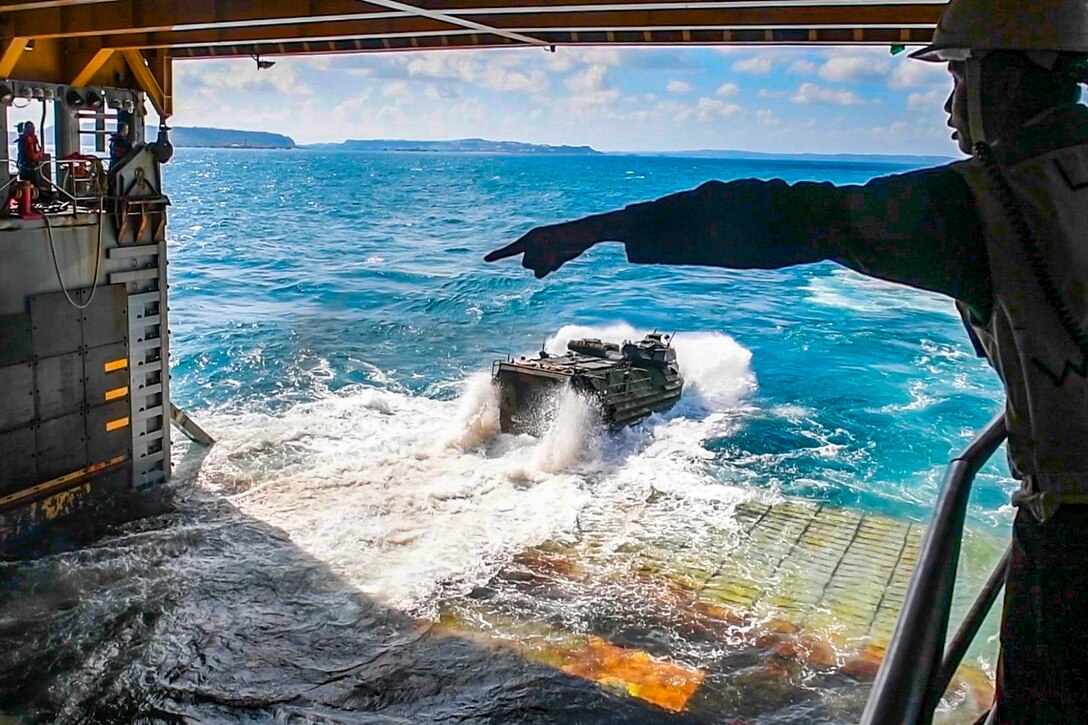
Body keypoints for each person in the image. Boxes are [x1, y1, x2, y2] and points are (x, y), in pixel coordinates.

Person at [485, 1, 1088, 721]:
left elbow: (788, 217)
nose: (952, 107)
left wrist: (599, 227)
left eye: (961, 77)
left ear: (1019, 74)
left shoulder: (984, 201)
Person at [16, 120, 46, 188]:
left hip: (25, 167)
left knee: (27, 186)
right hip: (30, 168)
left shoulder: (24, 139)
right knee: (33, 187)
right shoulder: (29, 140)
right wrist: (40, 154)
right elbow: (32, 155)